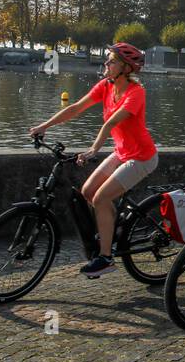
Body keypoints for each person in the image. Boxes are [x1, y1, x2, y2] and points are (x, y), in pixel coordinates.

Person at [28, 42, 159, 278]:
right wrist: (44, 126)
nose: (106, 64)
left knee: (101, 197)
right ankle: (115, 227)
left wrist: (93, 150)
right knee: (88, 191)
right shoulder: (106, 87)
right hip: (122, 153)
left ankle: (106, 258)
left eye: (111, 61)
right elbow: (76, 108)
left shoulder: (135, 93)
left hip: (142, 157)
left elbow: (111, 123)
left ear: (126, 68)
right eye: (108, 60)